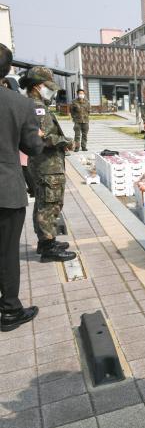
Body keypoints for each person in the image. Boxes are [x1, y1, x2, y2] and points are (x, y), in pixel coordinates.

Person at [0, 44, 43, 331]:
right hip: (6, 189)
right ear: (8, 69)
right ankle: (10, 309)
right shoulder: (18, 104)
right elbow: (33, 147)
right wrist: (37, 135)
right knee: (6, 252)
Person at [19, 67, 77, 262]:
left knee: (44, 202)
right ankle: (48, 247)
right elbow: (42, 138)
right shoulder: (37, 107)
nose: (51, 92)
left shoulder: (30, 104)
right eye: (48, 87)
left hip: (42, 164)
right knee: (50, 204)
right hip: (47, 165)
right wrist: (65, 141)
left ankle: (46, 242)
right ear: (37, 86)